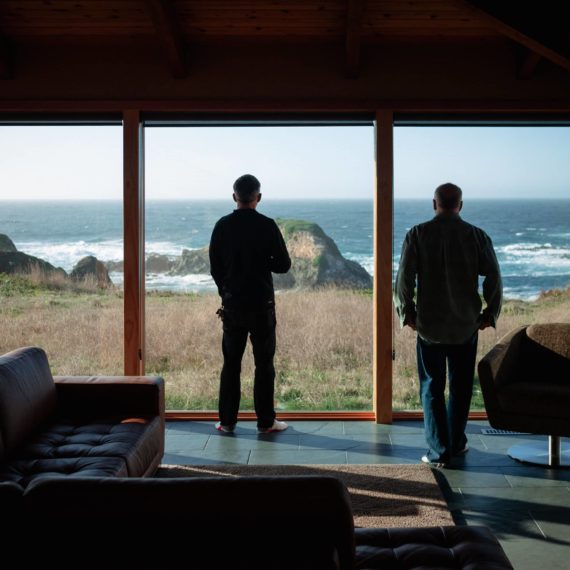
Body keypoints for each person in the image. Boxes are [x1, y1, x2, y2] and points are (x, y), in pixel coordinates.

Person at [394, 182, 502, 467]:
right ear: (461, 205)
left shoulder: (417, 234)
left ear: (434, 204)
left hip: (430, 326)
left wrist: (407, 312)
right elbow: (494, 276)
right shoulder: (477, 236)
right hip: (465, 325)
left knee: (431, 386)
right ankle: (457, 442)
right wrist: (490, 312)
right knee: (461, 386)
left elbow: (404, 278)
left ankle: (438, 451)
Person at [209, 174, 292, 434]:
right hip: (261, 305)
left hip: (233, 306)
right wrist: (261, 260)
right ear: (259, 197)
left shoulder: (222, 225)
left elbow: (215, 267)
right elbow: (283, 265)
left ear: (234, 197)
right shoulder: (267, 225)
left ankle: (227, 422)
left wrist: (226, 291)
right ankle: (266, 423)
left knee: (231, 364)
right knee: (264, 364)